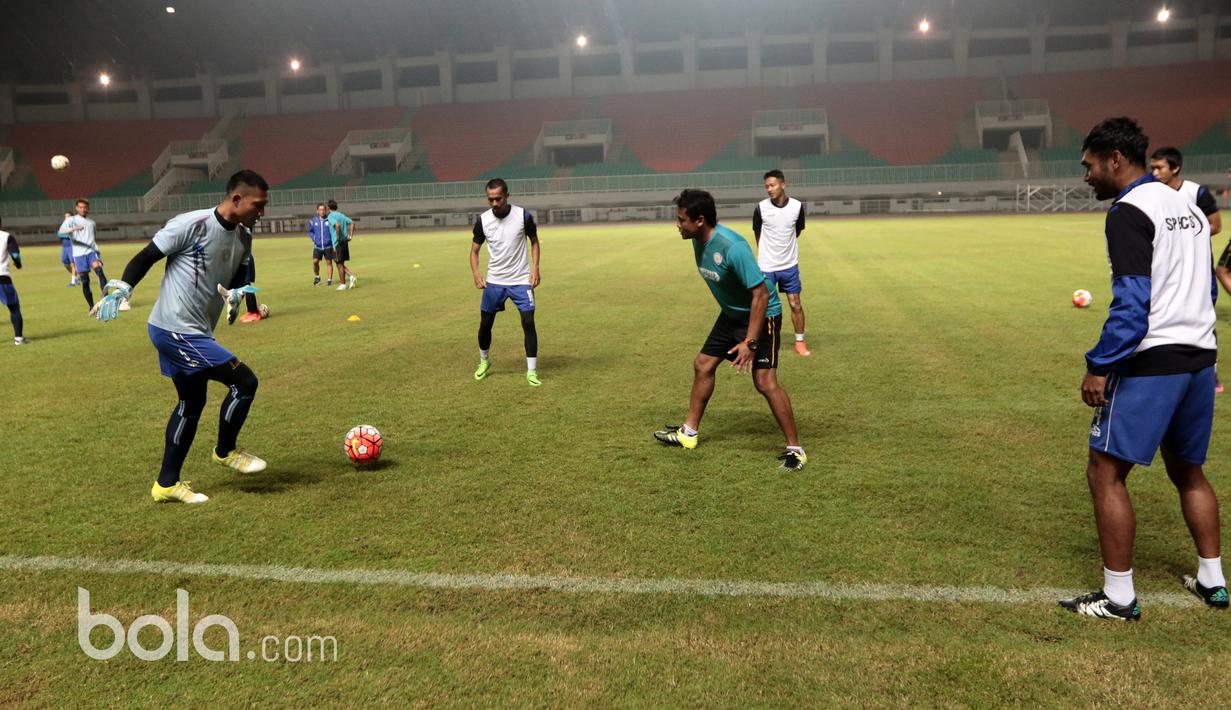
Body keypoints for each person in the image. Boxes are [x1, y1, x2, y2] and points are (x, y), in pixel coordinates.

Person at [1060, 117, 1228, 621]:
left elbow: (1133, 303)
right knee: (1189, 471)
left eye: (1089, 166)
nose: (1086, 176)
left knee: (1105, 470)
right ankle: (1213, 581)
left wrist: (1099, 366)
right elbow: (1209, 289)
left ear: (1115, 158)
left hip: (1153, 361)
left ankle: (1119, 597)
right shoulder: (1191, 207)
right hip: (1199, 358)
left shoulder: (1129, 210)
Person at [92, 170, 270, 505]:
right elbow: (148, 256)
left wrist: (234, 293)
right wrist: (123, 289)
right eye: (257, 205)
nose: (262, 213)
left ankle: (166, 485)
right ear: (236, 199)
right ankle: (226, 451)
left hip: (195, 331)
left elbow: (237, 271)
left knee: (192, 403)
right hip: (174, 329)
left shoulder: (244, 237)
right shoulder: (193, 224)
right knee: (244, 382)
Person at [654, 189, 807, 471]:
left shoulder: (732, 247)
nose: (678, 225)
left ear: (700, 220)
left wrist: (750, 342)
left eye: (682, 220)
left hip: (761, 315)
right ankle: (688, 434)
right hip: (731, 315)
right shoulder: (698, 239)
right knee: (702, 365)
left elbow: (761, 294)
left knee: (765, 382)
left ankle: (795, 449)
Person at [470, 178, 542, 386]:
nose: (494, 203)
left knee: (528, 322)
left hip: (521, 280)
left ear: (507, 196)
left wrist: (535, 268)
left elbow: (534, 242)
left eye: (498, 199)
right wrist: (476, 273)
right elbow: (474, 251)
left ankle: (531, 371)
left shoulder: (523, 216)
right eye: (490, 199)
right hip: (494, 282)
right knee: (486, 324)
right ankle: (484, 361)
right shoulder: (483, 221)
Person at [754, 169, 810, 356]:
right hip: (767, 266)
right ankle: (760, 341)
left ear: (783, 185)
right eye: (766, 187)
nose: (769, 189)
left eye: (772, 185)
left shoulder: (797, 206)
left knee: (795, 304)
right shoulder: (761, 207)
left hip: (789, 265)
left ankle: (800, 342)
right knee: (763, 305)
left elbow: (798, 230)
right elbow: (758, 233)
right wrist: (765, 255)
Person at [60, 199, 115, 311]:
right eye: (80, 207)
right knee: (85, 281)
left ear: (88, 209)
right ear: (76, 208)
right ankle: (91, 306)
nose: (83, 209)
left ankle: (106, 299)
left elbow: (94, 236)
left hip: (91, 252)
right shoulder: (71, 220)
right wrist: (74, 229)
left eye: (85, 207)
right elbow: (60, 232)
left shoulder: (91, 223)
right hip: (79, 254)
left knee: (99, 271)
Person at [0, 216, 28, 345]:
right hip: (2, 277)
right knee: (14, 308)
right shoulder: (6, 237)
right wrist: (18, 264)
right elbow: (15, 255)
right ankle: (18, 339)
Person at [327, 199, 357, 290]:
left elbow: (337, 225)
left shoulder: (330, 216)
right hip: (345, 242)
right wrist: (350, 236)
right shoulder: (341, 215)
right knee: (340, 263)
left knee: (339, 264)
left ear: (328, 208)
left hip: (337, 243)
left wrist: (338, 237)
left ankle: (343, 284)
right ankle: (351, 277)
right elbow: (352, 222)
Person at [307, 203, 335, 286]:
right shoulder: (313, 221)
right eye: (320, 210)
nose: (322, 211)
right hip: (318, 246)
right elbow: (311, 231)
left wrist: (332, 241)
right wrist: (314, 238)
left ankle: (329, 280)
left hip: (328, 246)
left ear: (326, 210)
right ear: (317, 211)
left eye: (323, 210)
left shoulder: (329, 219)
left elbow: (333, 231)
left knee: (329, 262)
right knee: (315, 261)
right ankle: (317, 277)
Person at [57, 211, 78, 287]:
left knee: (73, 264)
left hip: (71, 247)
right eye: (65, 217)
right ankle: (76, 277)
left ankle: (73, 282)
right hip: (65, 247)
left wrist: (65, 233)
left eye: (68, 216)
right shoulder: (63, 226)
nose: (66, 218)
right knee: (65, 262)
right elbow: (59, 234)